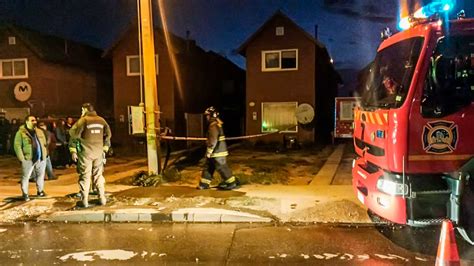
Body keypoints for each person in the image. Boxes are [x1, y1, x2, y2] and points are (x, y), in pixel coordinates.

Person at [69, 103, 111, 208]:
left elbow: (73, 135)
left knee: (85, 176)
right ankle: (102, 198)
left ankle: (85, 201)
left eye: (82, 110)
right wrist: (105, 148)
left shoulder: (83, 120)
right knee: (98, 175)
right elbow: (108, 135)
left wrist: (73, 150)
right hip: (99, 153)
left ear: (85, 109)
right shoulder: (102, 120)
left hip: (86, 153)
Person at [197, 106, 239, 190]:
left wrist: (209, 151)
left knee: (222, 168)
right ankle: (204, 184)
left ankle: (232, 183)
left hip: (218, 152)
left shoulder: (213, 125)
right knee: (209, 167)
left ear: (212, 115)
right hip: (216, 152)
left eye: (208, 115)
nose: (207, 117)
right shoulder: (216, 124)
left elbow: (213, 140)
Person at [14, 115, 48, 201]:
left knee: (40, 176)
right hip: (28, 158)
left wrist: (45, 154)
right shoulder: (21, 133)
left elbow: (44, 143)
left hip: (41, 158)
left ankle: (40, 191)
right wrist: (22, 158)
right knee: (26, 177)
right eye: (32, 120)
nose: (35, 122)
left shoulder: (39, 131)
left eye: (35, 120)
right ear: (27, 121)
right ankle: (25, 194)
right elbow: (17, 146)